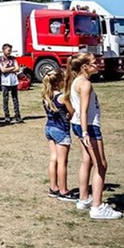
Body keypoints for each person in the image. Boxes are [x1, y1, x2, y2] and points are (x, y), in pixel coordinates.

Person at [66, 53, 122, 219]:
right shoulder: (85, 84)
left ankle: (84, 198)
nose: (97, 64)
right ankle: (97, 207)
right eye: (94, 62)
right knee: (101, 164)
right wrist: (85, 132)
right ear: (85, 67)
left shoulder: (77, 81)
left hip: (80, 125)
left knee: (87, 161)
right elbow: (83, 110)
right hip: (88, 127)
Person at [41, 70, 77, 201]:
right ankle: (63, 190)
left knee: (53, 158)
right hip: (61, 130)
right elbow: (72, 111)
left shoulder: (46, 96)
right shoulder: (62, 97)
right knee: (62, 161)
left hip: (49, 127)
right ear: (60, 82)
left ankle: (53, 187)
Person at [0, 44, 23, 124]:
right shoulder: (0, 59)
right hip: (5, 81)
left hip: (13, 80)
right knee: (5, 99)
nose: (9, 52)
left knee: (15, 98)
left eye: (10, 50)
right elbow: (3, 70)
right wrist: (12, 68)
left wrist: (9, 69)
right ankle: (7, 116)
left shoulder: (13, 58)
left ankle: (17, 115)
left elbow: (17, 68)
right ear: (4, 50)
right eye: (8, 50)